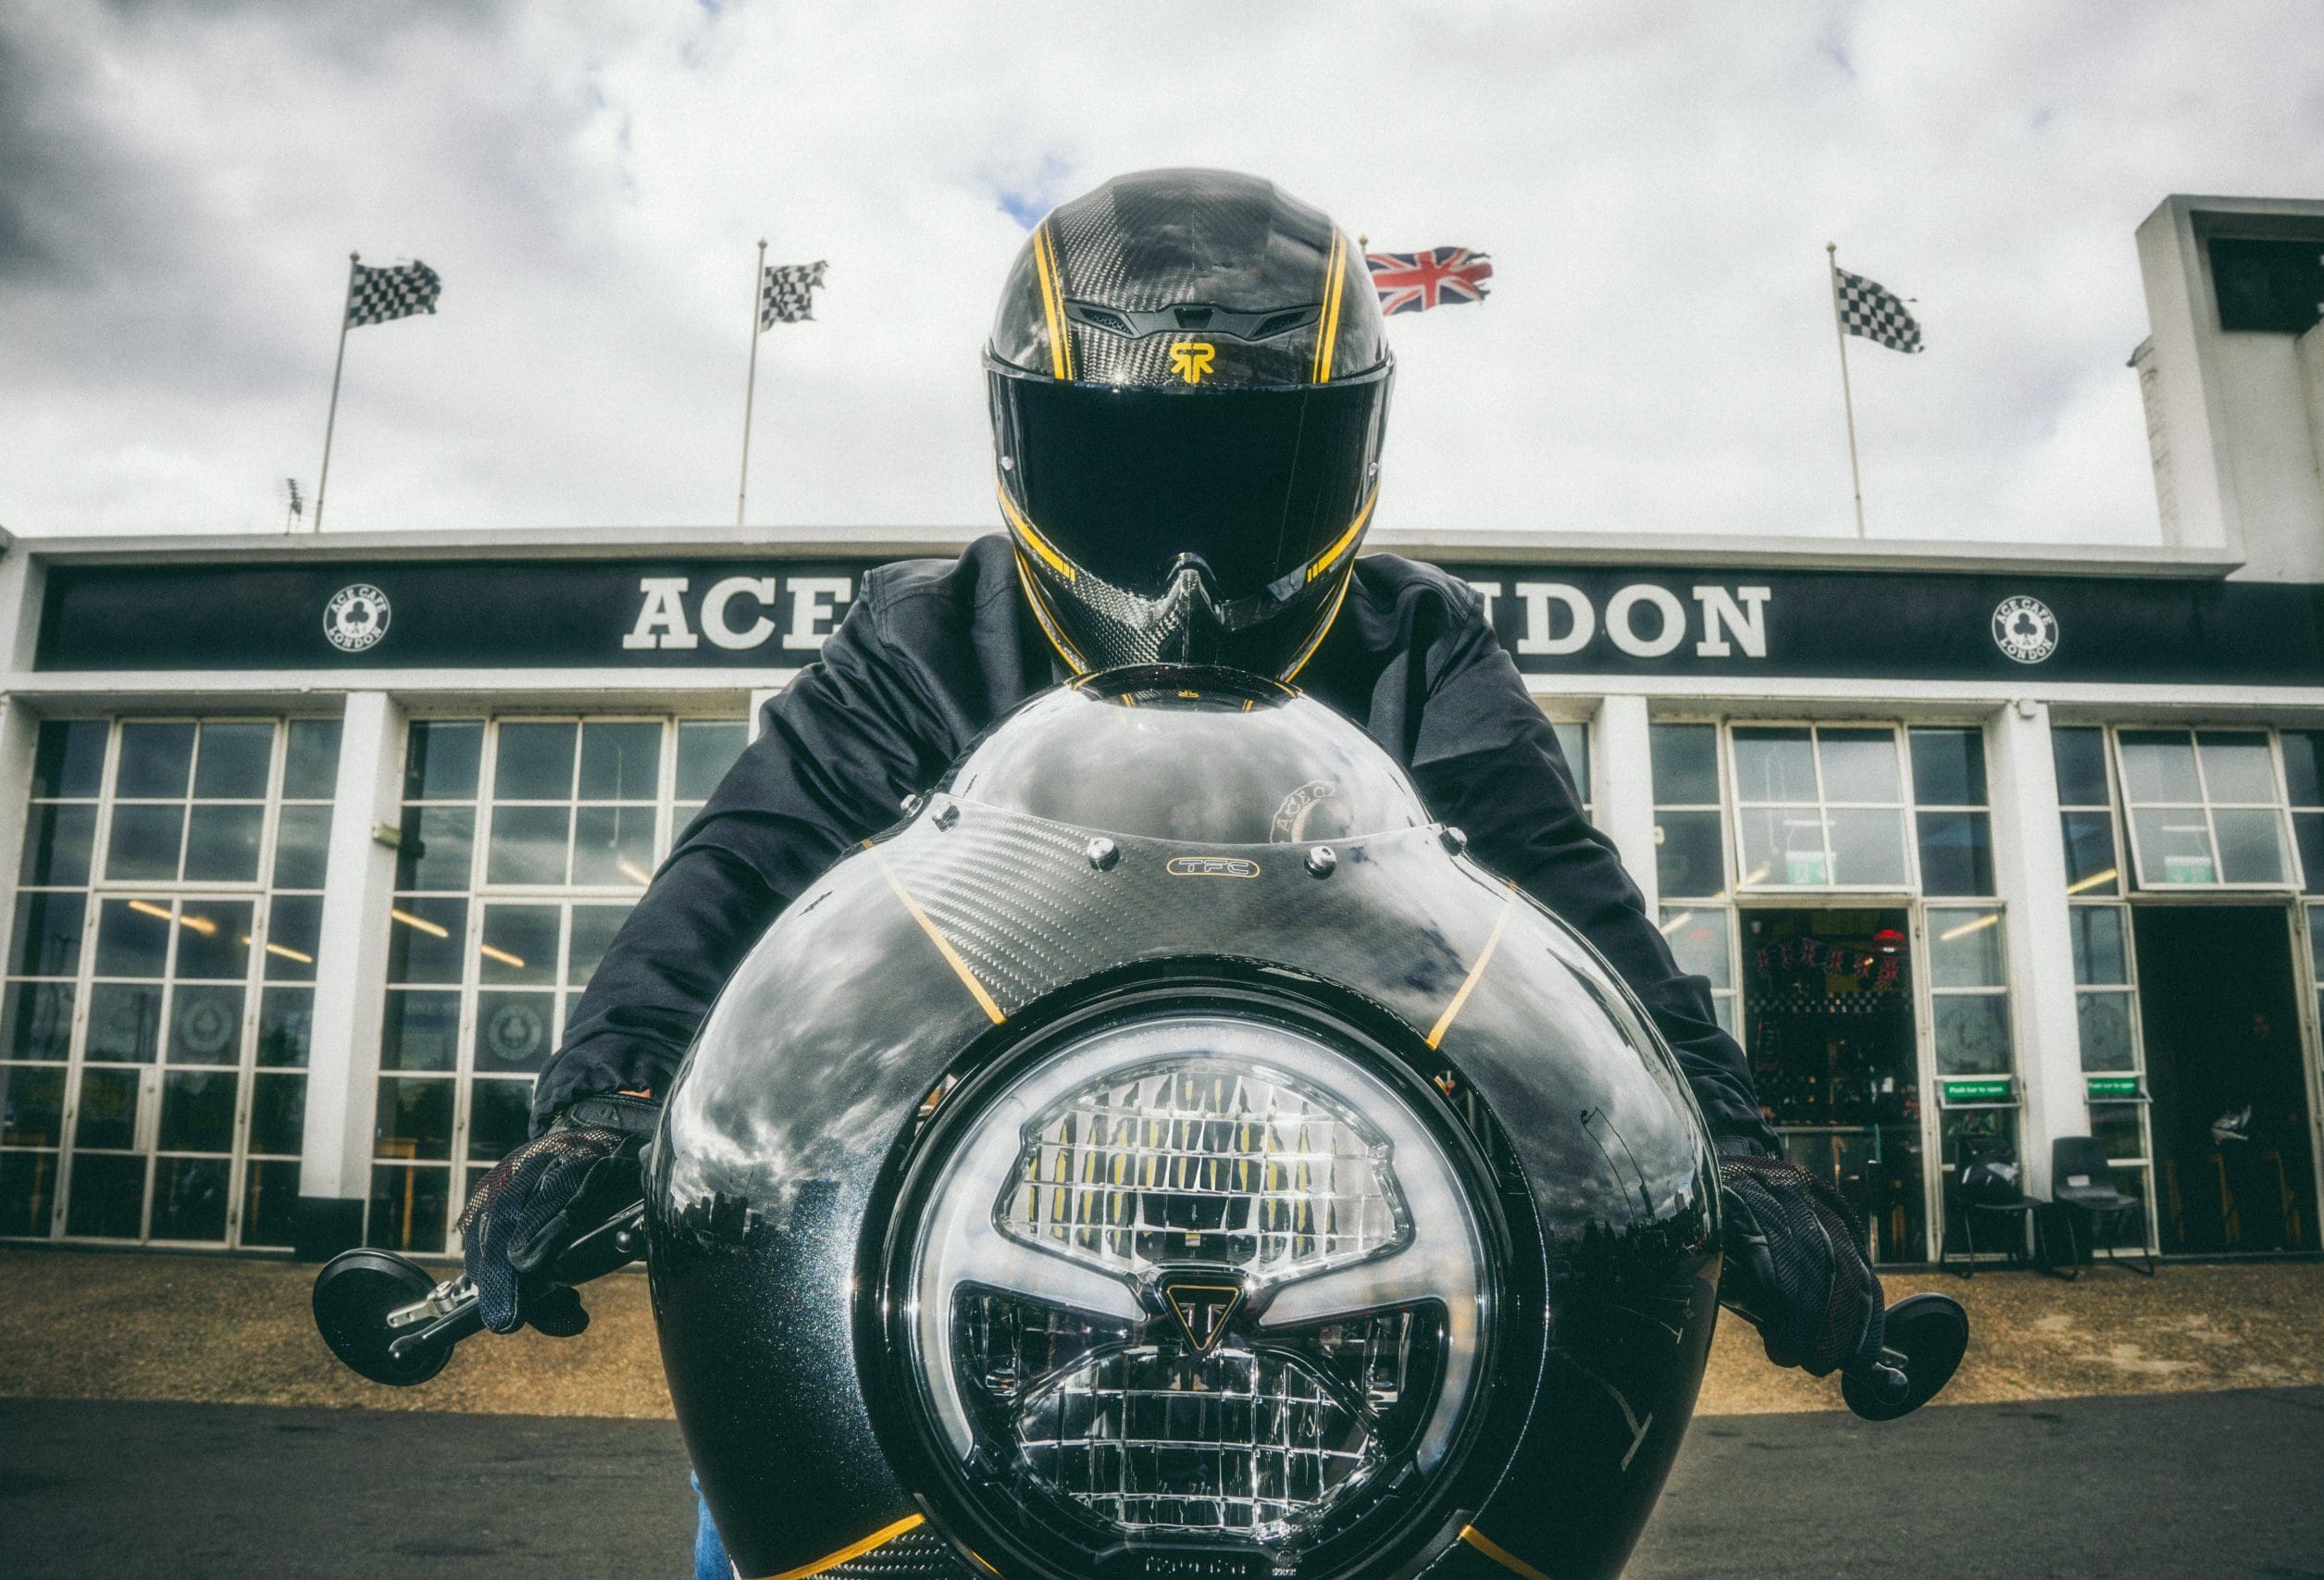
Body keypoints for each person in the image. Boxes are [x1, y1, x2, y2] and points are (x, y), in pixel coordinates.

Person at [456, 168, 1885, 1575]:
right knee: (774, 1496)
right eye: (1131, 471)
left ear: (1345, 456)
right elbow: (742, 872)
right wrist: (608, 1105)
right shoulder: (919, 636)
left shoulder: (1415, 640)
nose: (1189, 550)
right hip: (953, 1256)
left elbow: (1567, 908)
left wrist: (1737, 1151)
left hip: (1347, 1261)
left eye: (1251, 470)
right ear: (1033, 447)